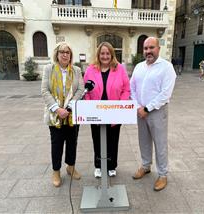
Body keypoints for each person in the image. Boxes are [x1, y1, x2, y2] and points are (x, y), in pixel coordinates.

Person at [130, 37, 176, 191]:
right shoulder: (139, 67)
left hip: (157, 111)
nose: (148, 51)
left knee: (160, 143)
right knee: (143, 140)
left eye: (151, 48)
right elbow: (132, 89)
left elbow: (165, 94)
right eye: (145, 48)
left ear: (158, 49)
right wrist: (138, 107)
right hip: (140, 111)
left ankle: (162, 174)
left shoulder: (166, 67)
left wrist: (147, 108)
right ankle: (145, 165)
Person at [84, 42, 130, 178]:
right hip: (95, 112)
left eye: (107, 53)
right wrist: (89, 106)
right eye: (102, 53)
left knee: (113, 139)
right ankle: (98, 165)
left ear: (112, 54)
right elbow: (85, 89)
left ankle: (111, 166)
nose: (105, 56)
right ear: (98, 54)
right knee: (97, 139)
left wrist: (121, 106)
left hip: (114, 111)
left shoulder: (119, 69)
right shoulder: (91, 69)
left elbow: (126, 89)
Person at [41, 42, 84, 187]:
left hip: (72, 115)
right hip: (55, 115)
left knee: (72, 142)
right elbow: (45, 90)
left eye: (68, 52)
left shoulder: (77, 70)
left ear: (70, 55)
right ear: (57, 54)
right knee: (57, 144)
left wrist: (69, 107)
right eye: (62, 52)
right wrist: (57, 109)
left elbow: (80, 90)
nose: (65, 54)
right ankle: (56, 171)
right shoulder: (49, 69)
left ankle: (71, 167)